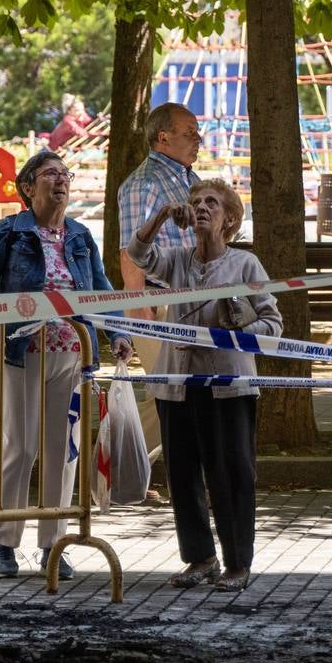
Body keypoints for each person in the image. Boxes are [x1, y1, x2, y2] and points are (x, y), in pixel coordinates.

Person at [126, 178, 283, 593]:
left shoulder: (245, 265)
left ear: (230, 218)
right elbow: (137, 254)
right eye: (195, 201)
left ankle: (237, 562)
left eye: (211, 202)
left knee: (231, 473)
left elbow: (273, 326)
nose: (201, 207)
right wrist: (161, 215)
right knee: (181, 474)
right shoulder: (177, 259)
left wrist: (238, 321)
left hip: (228, 386)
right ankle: (201, 557)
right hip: (177, 384)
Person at [0, 150, 133, 580]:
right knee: (21, 446)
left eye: (64, 174)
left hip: (72, 352)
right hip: (20, 351)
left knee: (62, 451)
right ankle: (5, 542)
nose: (60, 181)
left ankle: (55, 544)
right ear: (28, 187)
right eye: (50, 174)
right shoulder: (10, 232)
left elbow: (101, 291)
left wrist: (118, 334)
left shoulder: (80, 236)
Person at [117, 103, 204, 468]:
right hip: (157, 298)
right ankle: (114, 469)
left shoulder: (191, 180)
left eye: (198, 131)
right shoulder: (145, 182)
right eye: (189, 132)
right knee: (167, 392)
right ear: (163, 137)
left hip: (194, 300)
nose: (198, 139)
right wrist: (139, 304)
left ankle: (134, 471)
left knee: (184, 391)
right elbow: (130, 247)